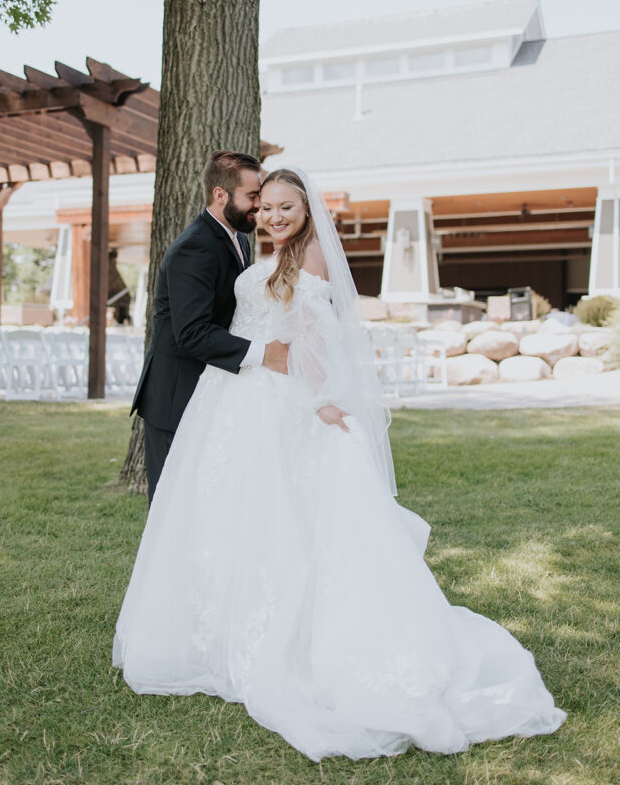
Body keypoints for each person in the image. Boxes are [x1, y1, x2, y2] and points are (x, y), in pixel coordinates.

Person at [114, 167, 566, 761]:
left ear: (306, 211)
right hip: (231, 401)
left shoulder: (314, 258)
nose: (272, 216)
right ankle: (216, 634)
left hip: (277, 397)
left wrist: (320, 400)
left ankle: (283, 640)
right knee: (228, 514)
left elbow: (316, 335)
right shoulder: (258, 255)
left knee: (283, 519)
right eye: (265, 206)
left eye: (285, 208)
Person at [130, 150, 289, 503]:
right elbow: (192, 333)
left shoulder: (239, 239)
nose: (258, 206)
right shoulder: (194, 248)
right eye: (252, 196)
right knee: (173, 504)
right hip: (176, 395)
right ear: (221, 195)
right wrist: (265, 354)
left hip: (212, 390)